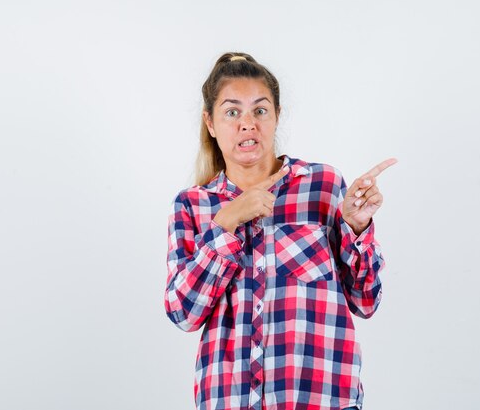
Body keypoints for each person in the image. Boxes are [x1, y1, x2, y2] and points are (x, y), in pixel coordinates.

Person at [164, 52, 397, 410]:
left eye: (260, 110)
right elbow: (184, 313)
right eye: (232, 112)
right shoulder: (193, 206)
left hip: (321, 400)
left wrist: (355, 225)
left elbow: (366, 301)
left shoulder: (322, 187)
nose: (247, 124)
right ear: (210, 123)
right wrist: (227, 223)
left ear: (276, 116)